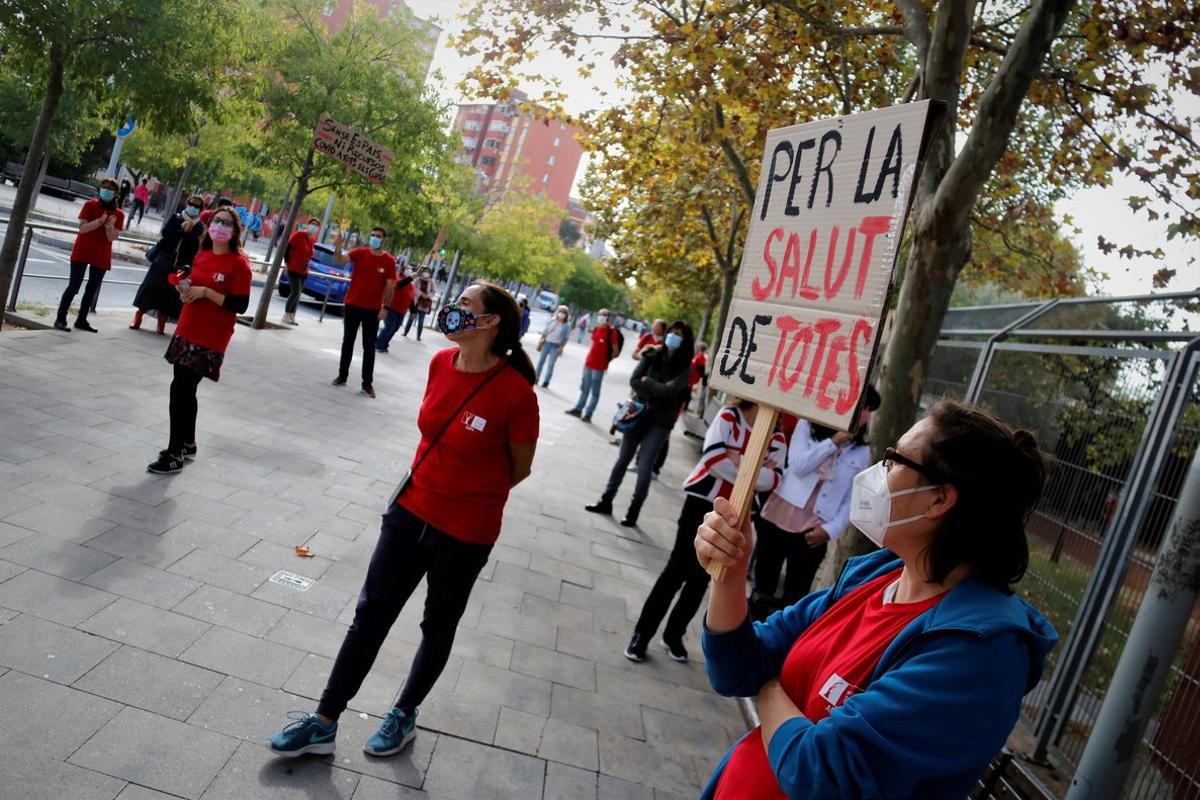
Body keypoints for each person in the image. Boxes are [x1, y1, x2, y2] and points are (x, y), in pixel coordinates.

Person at [694, 399, 1057, 799]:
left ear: (939, 499)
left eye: (894, 459)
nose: (877, 472)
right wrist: (728, 572)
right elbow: (736, 667)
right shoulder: (873, 576)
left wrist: (768, 688)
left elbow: (819, 773)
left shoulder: (981, 653)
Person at [268, 281, 539, 760]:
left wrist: (467, 493)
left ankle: (404, 713)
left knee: (438, 627)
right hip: (410, 511)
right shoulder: (439, 364)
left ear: (491, 321)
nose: (453, 311)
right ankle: (324, 721)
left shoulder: (517, 394)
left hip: (466, 533)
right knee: (369, 616)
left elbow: (520, 468)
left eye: (465, 306)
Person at [626, 399, 784, 664]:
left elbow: (774, 479)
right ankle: (641, 634)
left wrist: (737, 459)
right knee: (675, 570)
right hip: (701, 503)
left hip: (738, 515)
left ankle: (673, 635)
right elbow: (712, 460)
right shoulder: (729, 416)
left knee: (702, 578)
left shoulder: (776, 435)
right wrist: (754, 467)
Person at [750, 388, 881, 622]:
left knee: (796, 601)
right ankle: (748, 642)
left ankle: (779, 652)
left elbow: (853, 498)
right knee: (762, 590)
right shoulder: (806, 426)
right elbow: (799, 465)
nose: (865, 415)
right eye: (863, 407)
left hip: (815, 530)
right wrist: (833, 442)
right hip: (778, 517)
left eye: (869, 409)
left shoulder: (862, 453)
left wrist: (830, 531)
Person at [146, 206, 252, 474]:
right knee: (184, 388)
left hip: (210, 337)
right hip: (187, 329)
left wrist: (206, 292)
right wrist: (186, 289)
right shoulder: (202, 255)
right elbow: (193, 282)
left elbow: (240, 305)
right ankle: (187, 443)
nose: (220, 226)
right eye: (216, 221)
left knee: (179, 389)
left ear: (235, 231)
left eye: (227, 223)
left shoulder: (239, 264)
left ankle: (174, 454)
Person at [585, 320, 695, 526]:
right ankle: (606, 500)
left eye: (679, 334)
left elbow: (671, 391)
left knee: (644, 467)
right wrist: (656, 387)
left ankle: (633, 512)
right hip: (638, 414)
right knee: (622, 460)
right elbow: (635, 380)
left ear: (685, 340)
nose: (673, 336)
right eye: (672, 332)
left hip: (660, 422)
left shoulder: (684, 367)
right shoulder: (652, 354)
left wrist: (649, 383)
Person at [331, 227, 396, 398]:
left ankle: (367, 384)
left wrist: (386, 307)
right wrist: (338, 247)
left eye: (378, 236)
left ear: (384, 240)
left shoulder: (389, 261)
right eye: (373, 235)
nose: (374, 238)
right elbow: (340, 260)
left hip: (373, 310)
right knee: (348, 342)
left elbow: (390, 286)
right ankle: (342, 376)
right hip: (352, 305)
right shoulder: (360, 253)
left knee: (369, 347)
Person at [54, 177, 124, 333]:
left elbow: (112, 237)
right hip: (83, 250)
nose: (105, 191)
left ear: (116, 193)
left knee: (91, 289)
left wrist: (108, 227)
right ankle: (60, 319)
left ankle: (81, 319)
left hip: (101, 254)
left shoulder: (119, 214)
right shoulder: (90, 205)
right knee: (74, 286)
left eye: (109, 189)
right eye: (103, 187)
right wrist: (99, 221)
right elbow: (83, 228)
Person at [131, 194, 205, 335]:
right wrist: (182, 230)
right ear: (187, 204)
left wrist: (191, 233)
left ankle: (162, 322)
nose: (193, 208)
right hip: (164, 258)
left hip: (181, 264)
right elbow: (165, 233)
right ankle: (138, 316)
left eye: (197, 206)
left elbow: (195, 248)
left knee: (170, 293)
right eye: (192, 204)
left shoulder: (199, 226)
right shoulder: (176, 217)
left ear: (200, 209)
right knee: (151, 287)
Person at [565, 308, 621, 423]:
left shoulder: (612, 332)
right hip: (589, 363)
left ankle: (588, 414)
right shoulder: (597, 328)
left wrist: (606, 361)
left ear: (608, 317)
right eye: (600, 314)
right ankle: (578, 409)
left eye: (604, 315)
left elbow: (615, 351)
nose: (601, 316)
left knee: (595, 391)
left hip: (599, 367)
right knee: (585, 388)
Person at [281, 217, 318, 326]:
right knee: (295, 292)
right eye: (312, 224)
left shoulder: (312, 239)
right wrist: (286, 263)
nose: (314, 226)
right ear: (308, 225)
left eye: (316, 225)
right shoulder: (299, 235)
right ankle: (286, 314)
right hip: (293, 268)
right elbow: (288, 248)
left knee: (298, 293)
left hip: (304, 271)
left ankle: (292, 315)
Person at [376, 262, 414, 353]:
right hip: (392, 308)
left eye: (410, 269)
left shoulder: (411, 285)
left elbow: (411, 298)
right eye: (407, 269)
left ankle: (385, 344)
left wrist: (413, 311)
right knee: (389, 327)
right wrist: (411, 278)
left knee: (394, 329)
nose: (409, 270)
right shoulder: (397, 279)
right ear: (402, 271)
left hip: (402, 311)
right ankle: (378, 344)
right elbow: (400, 285)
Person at [535, 305, 571, 388]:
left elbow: (566, 338)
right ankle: (536, 378)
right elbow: (545, 331)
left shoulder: (566, 326)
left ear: (566, 315)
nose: (561, 314)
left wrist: (561, 348)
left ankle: (546, 382)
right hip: (546, 343)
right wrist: (541, 341)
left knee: (551, 364)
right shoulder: (552, 321)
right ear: (557, 313)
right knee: (541, 361)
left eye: (564, 313)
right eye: (560, 312)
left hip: (555, 346)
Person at [403, 266, 435, 341]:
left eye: (428, 272)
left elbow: (433, 291)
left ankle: (418, 336)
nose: (426, 273)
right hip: (416, 302)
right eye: (425, 271)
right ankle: (405, 332)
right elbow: (413, 288)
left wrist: (427, 295)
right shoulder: (418, 279)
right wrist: (421, 294)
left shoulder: (431, 281)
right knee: (411, 319)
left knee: (421, 321)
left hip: (424, 304)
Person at [687, 342, 708, 411]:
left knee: (690, 392)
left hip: (694, 378)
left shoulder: (701, 357)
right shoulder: (699, 355)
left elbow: (701, 370)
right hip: (692, 377)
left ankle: (687, 406)